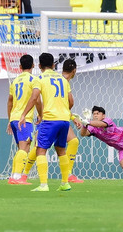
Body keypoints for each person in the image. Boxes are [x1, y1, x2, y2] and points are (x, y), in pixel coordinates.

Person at [19, 59, 84, 186]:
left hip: (52, 116)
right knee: (51, 148)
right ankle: (26, 174)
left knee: (44, 147)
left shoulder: (44, 78)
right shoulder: (62, 80)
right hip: (56, 117)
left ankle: (65, 177)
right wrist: (68, 115)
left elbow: (39, 99)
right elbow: (69, 102)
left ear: (39, 65)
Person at [7, 55, 39, 185]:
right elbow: (36, 99)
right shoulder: (33, 80)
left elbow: (9, 102)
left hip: (14, 118)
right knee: (24, 148)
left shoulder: (15, 81)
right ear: (33, 66)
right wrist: (41, 114)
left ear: (20, 67)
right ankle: (16, 177)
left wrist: (10, 120)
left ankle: (13, 176)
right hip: (25, 119)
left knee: (21, 148)